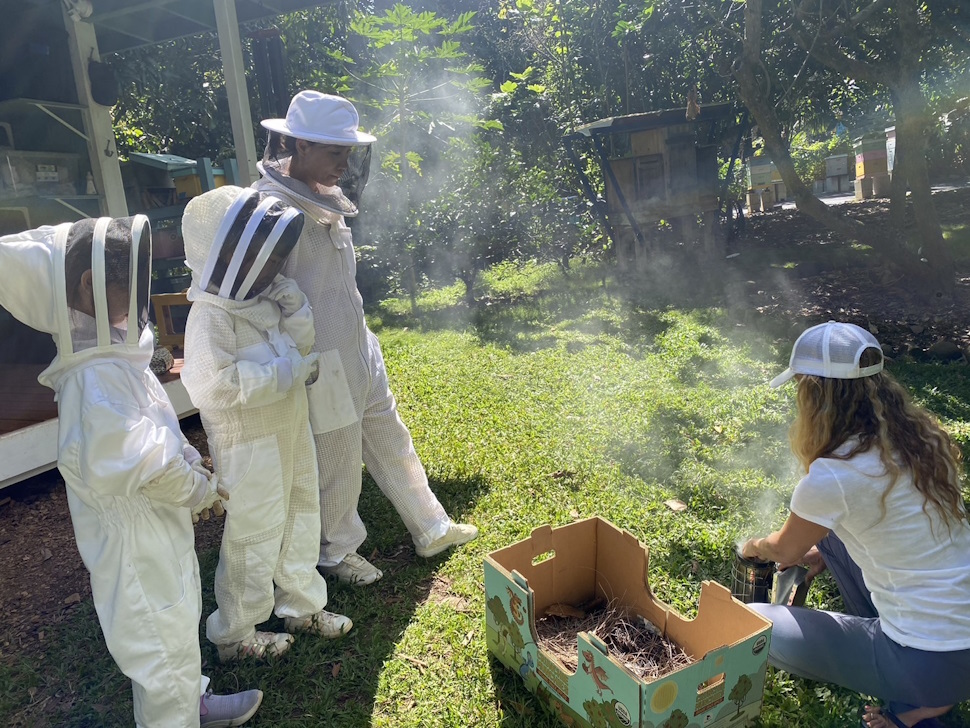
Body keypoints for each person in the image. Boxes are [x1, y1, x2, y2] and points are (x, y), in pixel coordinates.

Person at [0, 217, 263, 727]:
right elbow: (146, 464)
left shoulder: (117, 361)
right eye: (131, 280)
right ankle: (174, 716)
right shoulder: (93, 381)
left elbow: (160, 434)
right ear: (87, 286)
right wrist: (198, 488)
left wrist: (191, 461)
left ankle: (193, 704)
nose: (143, 291)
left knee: (178, 622)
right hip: (133, 544)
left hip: (153, 528)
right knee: (158, 646)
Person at [253, 90, 478, 585]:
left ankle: (431, 525)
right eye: (335, 152)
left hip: (357, 344)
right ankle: (335, 551)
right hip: (319, 359)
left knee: (389, 435)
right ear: (300, 146)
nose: (344, 163)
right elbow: (259, 297)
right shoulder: (269, 210)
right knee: (336, 454)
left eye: (349, 153)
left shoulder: (325, 199)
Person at [741, 321, 970, 728]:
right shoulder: (924, 442)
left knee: (755, 626)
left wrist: (753, 546)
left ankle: (918, 713)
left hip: (926, 661)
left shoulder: (834, 474)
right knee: (827, 539)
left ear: (814, 396)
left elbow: (783, 551)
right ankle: (926, 696)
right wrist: (823, 550)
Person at [180, 186, 353, 661]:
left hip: (290, 429)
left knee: (301, 514)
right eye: (263, 256)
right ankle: (235, 634)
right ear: (224, 254)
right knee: (254, 534)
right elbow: (211, 386)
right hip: (248, 445)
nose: (272, 266)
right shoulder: (210, 317)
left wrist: (296, 310)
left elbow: (299, 349)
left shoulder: (262, 300)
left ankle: (301, 606)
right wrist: (286, 374)